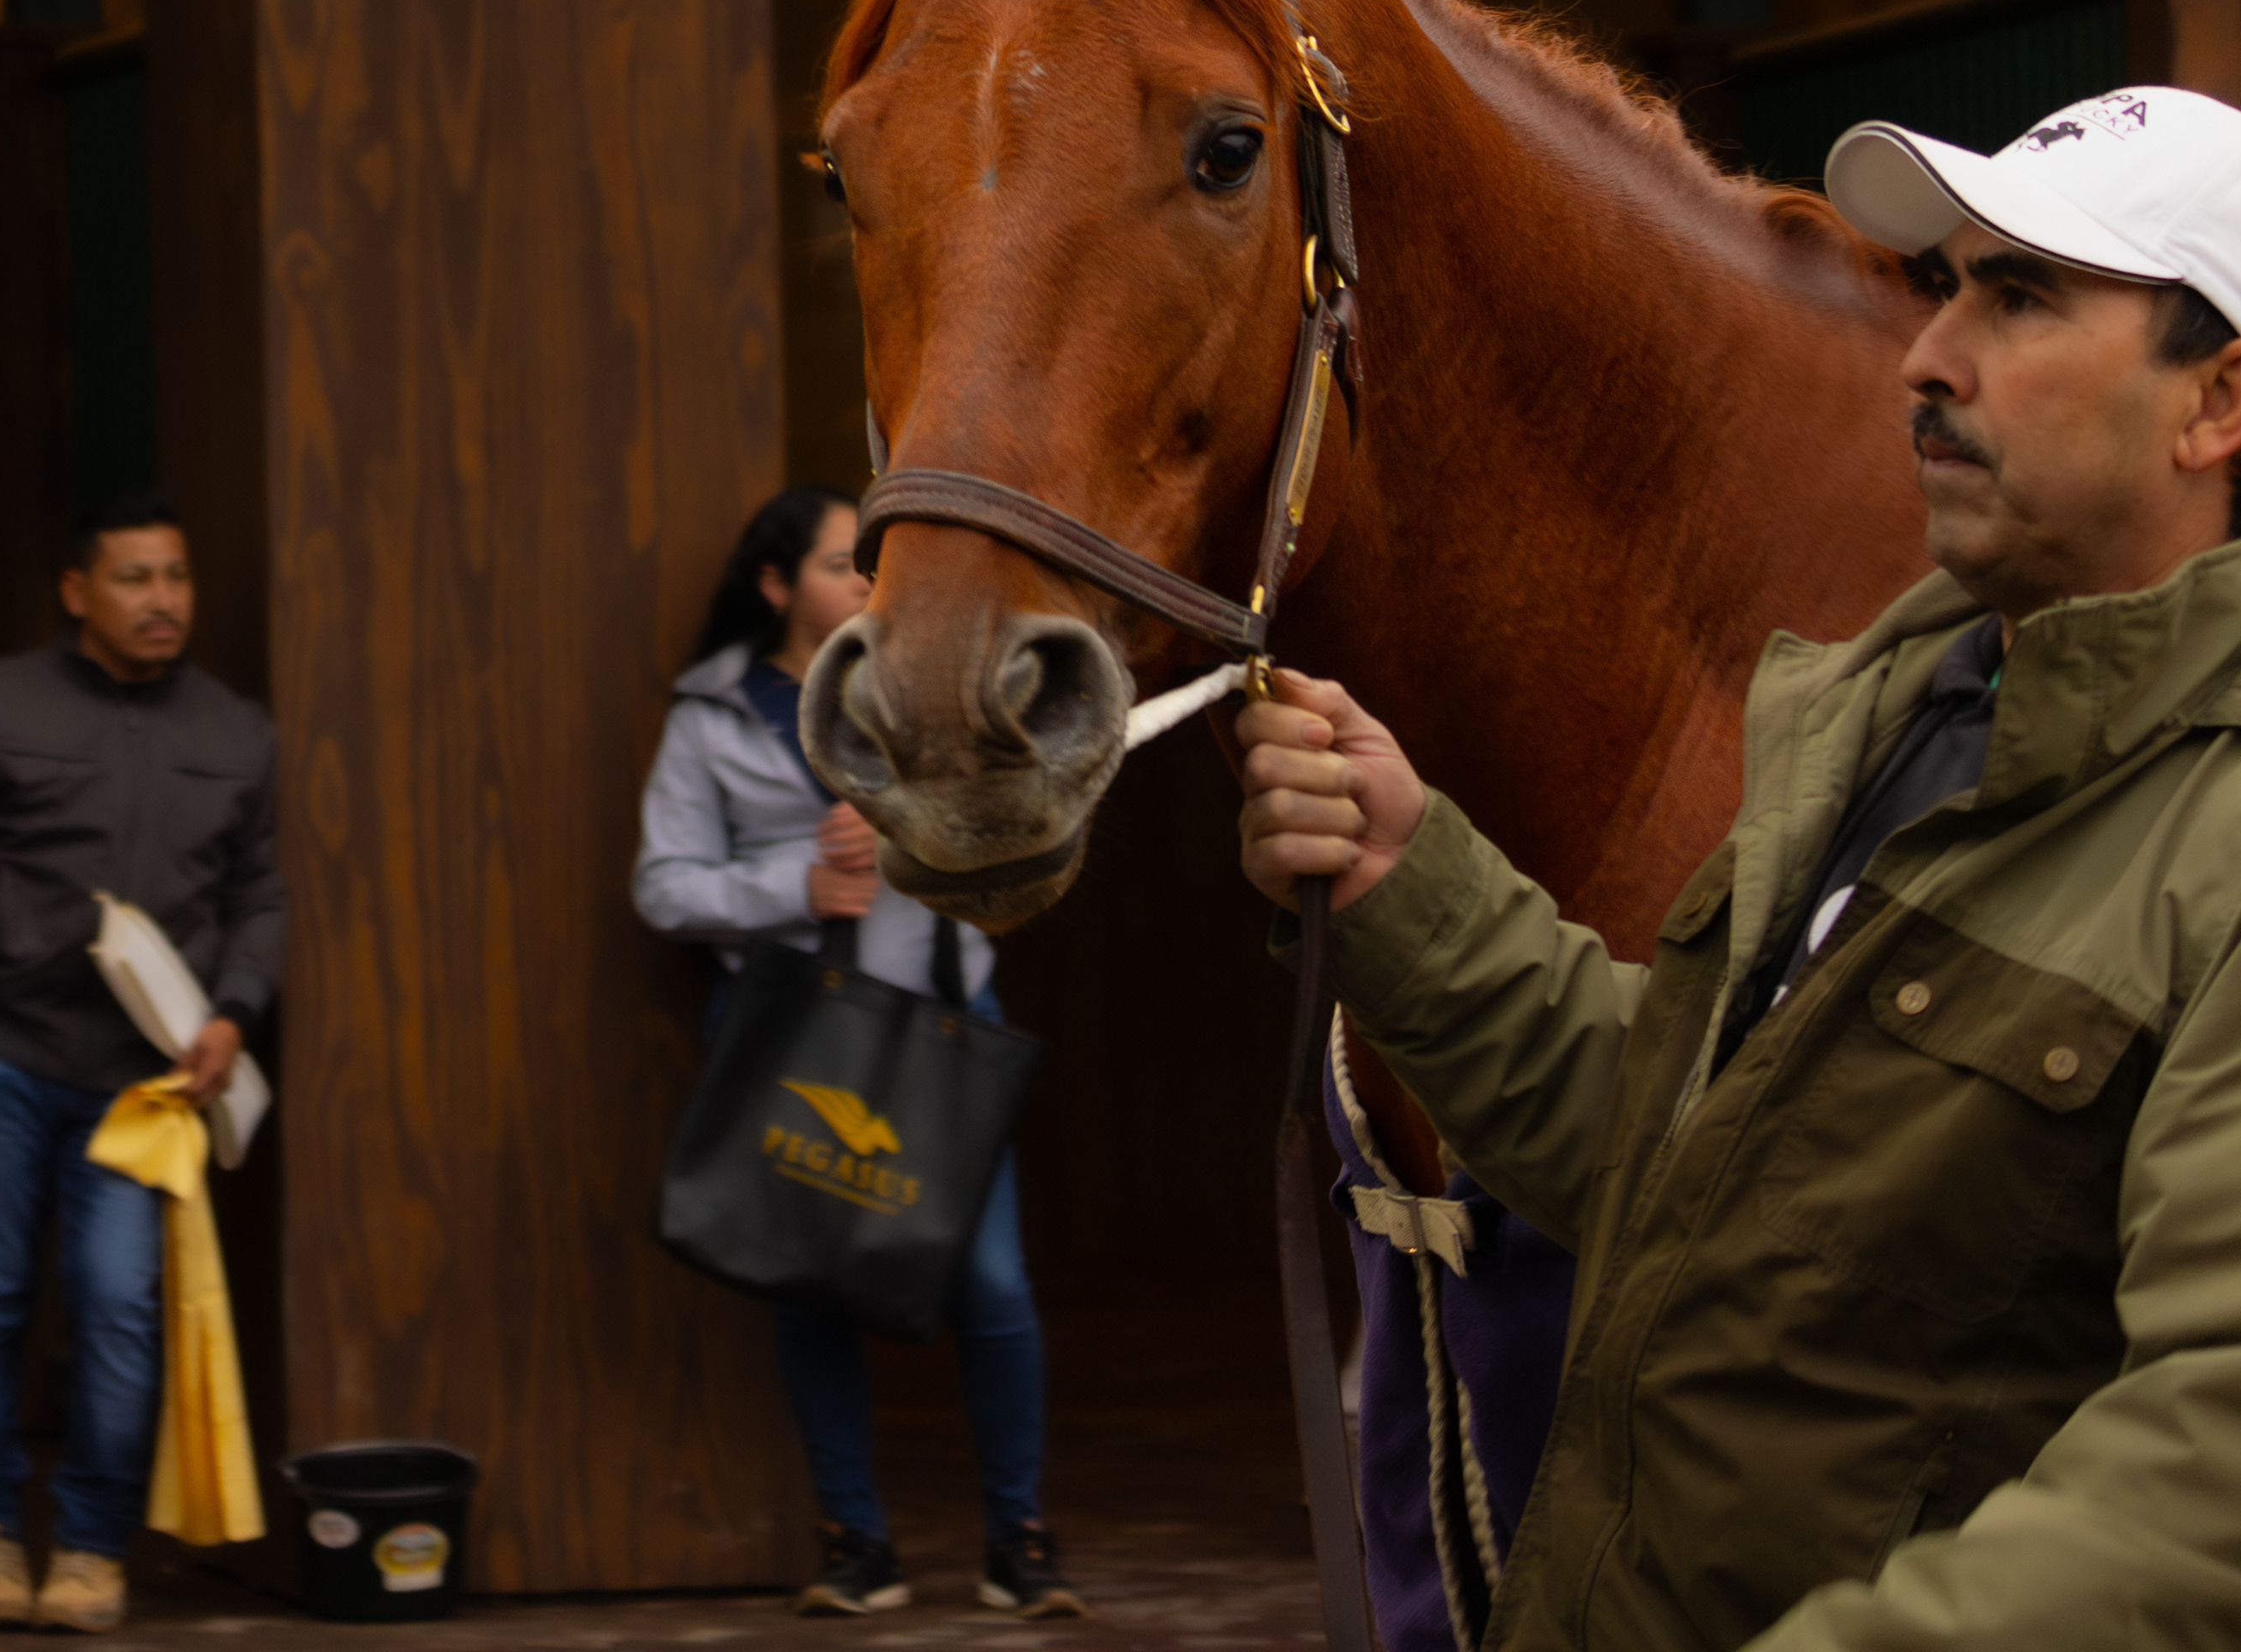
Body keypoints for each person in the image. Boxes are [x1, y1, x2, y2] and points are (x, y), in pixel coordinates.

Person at [1235, 86, 2241, 1649]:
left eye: (2024, 295)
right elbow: (1695, 1161)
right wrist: (1404, 878)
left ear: (2219, 403)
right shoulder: (1903, 709)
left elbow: (2204, 1484)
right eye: (1949, 283)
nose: (1929, 353)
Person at [634, 485, 1088, 1621]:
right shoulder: (712, 717)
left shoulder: (940, 685)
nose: (867, 588)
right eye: (843, 565)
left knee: (990, 1286)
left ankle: (1020, 1545)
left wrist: (919, 827)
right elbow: (660, 886)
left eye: (872, 567)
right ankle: (857, 1546)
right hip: (795, 1044)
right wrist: (796, 881)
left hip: (943, 1036)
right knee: (810, 1291)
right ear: (778, 587)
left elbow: (1031, 836)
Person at [0, 492, 283, 1634]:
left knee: (115, 1309)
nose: (164, 602)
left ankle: (93, 1548)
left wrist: (237, 1011)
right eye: (136, 578)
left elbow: (259, 894)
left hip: (142, 1081)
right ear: (76, 591)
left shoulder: (235, 731)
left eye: (178, 578)